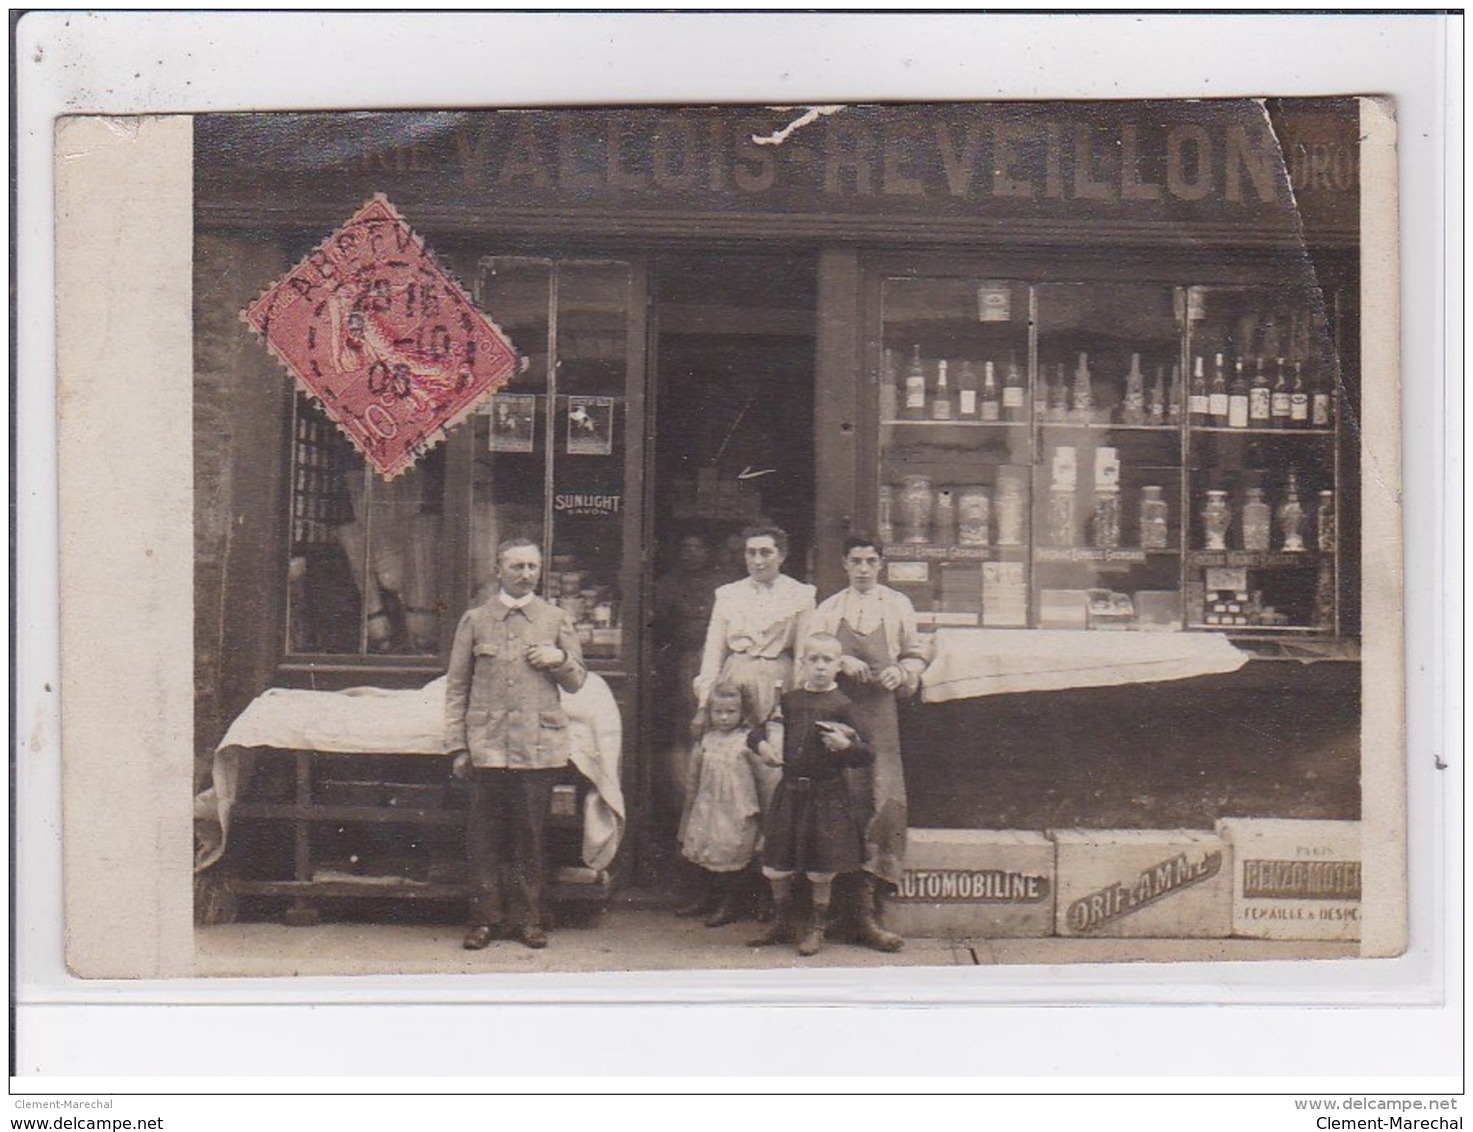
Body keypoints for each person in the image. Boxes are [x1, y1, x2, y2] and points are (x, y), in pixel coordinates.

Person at [444, 537, 586, 951]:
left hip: (537, 748)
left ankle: (528, 919)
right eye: (517, 567)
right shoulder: (475, 620)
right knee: (483, 838)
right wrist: (458, 746)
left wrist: (558, 660)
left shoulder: (556, 619)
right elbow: (457, 689)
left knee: (530, 836)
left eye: (532, 567)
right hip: (487, 746)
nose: (526, 574)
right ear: (498, 571)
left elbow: (578, 681)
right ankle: (484, 920)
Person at [809, 536, 928, 953]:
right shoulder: (829, 609)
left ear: (881, 564)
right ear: (844, 563)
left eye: (871, 561)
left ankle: (869, 911)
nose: (863, 568)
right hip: (838, 715)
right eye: (856, 560)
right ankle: (830, 913)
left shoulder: (897, 606)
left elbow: (916, 654)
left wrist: (902, 670)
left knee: (882, 804)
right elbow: (812, 656)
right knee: (841, 804)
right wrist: (839, 660)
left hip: (880, 719)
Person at [746, 632, 874, 958]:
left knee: (822, 863)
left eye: (827, 660)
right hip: (790, 790)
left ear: (838, 665)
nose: (819, 667)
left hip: (828, 793)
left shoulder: (843, 706)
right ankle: (783, 922)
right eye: (813, 659)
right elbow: (758, 732)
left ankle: (817, 926)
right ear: (802, 663)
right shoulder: (789, 700)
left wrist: (846, 747)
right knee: (778, 858)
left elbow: (867, 754)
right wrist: (763, 746)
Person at [694, 523, 816, 815]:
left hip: (778, 681)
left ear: (782, 555)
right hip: (735, 680)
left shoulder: (800, 595)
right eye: (751, 553)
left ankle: (771, 845)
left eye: (766, 552)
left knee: (773, 758)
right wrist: (704, 702)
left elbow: (803, 653)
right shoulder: (728, 594)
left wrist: (800, 701)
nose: (757, 560)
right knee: (731, 759)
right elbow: (713, 651)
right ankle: (735, 846)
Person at [651, 531, 726, 822]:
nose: (691, 552)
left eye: (698, 546)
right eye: (686, 546)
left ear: (708, 551)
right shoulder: (668, 583)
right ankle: (682, 802)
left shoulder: (722, 584)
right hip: (680, 662)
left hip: (713, 660)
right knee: (683, 729)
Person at [675, 682, 762, 927]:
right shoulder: (705, 742)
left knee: (731, 853)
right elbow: (693, 780)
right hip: (708, 807)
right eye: (718, 712)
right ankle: (707, 899)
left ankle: (730, 904)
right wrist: (689, 811)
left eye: (731, 712)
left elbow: (762, 779)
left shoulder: (748, 742)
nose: (724, 718)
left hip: (737, 810)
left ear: (743, 713)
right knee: (705, 852)